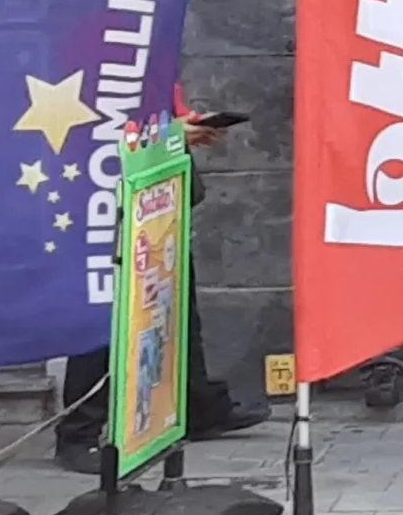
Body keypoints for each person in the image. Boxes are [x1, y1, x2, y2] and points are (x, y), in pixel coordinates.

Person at [53, 100, 268, 475]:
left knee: (177, 304)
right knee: (107, 311)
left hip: (160, 186)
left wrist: (181, 128)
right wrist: (169, 133)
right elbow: (99, 129)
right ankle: (78, 431)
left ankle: (198, 406)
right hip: (111, 196)